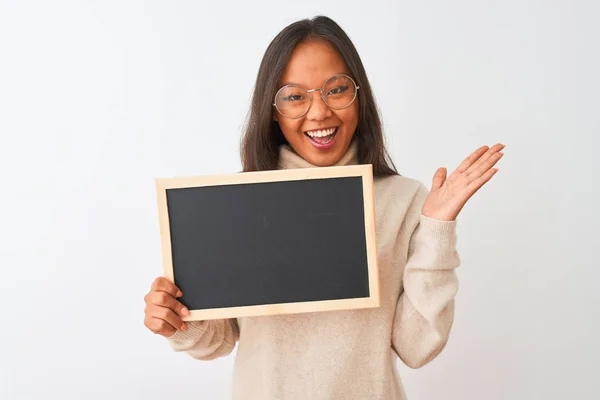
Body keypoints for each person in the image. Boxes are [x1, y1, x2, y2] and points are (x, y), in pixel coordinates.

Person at [143, 15, 504, 400]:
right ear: (272, 110)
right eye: (296, 96)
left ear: (358, 96)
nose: (319, 113)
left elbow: (417, 347)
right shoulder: (237, 203)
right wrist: (176, 320)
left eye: (335, 90)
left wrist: (436, 226)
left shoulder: (405, 201)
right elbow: (217, 342)